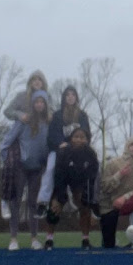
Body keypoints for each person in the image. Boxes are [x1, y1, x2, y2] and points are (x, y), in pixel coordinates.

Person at [0, 90, 50, 251]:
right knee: (15, 202)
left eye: (42, 102)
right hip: (20, 166)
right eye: (37, 102)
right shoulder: (23, 122)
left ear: (46, 104)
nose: (39, 104)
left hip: (37, 168)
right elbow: (6, 142)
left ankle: (34, 238)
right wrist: (7, 159)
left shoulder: (48, 123)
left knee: (33, 204)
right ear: (33, 104)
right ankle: (13, 238)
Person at [35, 85, 91, 218]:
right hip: (59, 151)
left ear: (76, 97)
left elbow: (87, 135)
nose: (70, 97)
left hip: (78, 153)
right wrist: (61, 143)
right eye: (68, 95)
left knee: (93, 168)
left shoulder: (82, 116)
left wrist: (77, 144)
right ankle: (43, 202)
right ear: (64, 98)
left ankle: (92, 200)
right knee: (50, 169)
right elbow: (51, 136)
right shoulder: (57, 115)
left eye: (73, 94)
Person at [45, 127, 99, 250]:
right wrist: (60, 197)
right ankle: (49, 239)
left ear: (87, 140)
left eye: (82, 137)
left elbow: (92, 176)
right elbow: (59, 176)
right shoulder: (63, 152)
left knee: (85, 206)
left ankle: (85, 239)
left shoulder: (91, 154)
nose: (79, 140)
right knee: (54, 206)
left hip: (80, 184)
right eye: (76, 137)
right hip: (63, 182)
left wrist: (87, 196)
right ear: (71, 139)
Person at [99, 136, 133, 248]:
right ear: (127, 146)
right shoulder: (113, 163)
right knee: (108, 244)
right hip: (111, 205)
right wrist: (119, 175)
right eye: (132, 145)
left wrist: (125, 198)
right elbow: (104, 187)